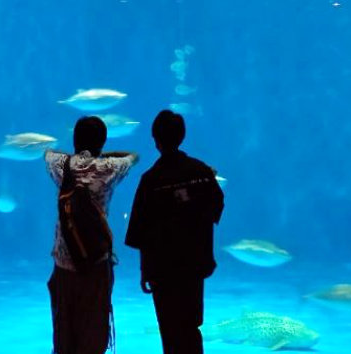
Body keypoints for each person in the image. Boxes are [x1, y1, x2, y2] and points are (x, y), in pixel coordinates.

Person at [125, 110, 225, 354]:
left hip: (163, 271)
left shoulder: (150, 180)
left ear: (155, 139)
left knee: (170, 330)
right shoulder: (202, 172)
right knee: (191, 327)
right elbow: (216, 208)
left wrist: (144, 271)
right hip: (194, 266)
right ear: (183, 136)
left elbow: (140, 232)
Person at [45, 115, 139, 354]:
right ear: (103, 141)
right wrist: (103, 155)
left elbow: (47, 153)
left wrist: (79, 154)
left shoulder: (60, 165)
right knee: (94, 336)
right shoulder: (109, 169)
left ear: (75, 139)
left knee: (64, 336)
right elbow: (133, 157)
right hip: (96, 266)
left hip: (64, 267)